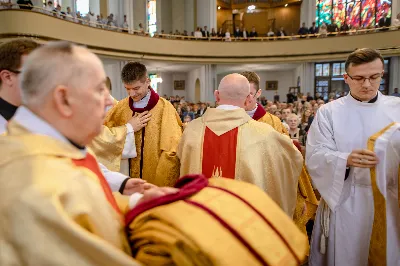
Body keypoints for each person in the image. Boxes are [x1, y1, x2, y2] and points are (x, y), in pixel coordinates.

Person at [0, 41, 179, 265]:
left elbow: (85, 200)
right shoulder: (36, 185)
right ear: (63, 99)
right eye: (99, 90)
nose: (108, 102)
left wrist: (132, 202)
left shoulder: (45, 142)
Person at [0, 39, 147, 197]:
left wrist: (122, 184)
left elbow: (78, 157)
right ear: (7, 77)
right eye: (34, 75)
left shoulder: (42, 115)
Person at [306, 48, 400, 266]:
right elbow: (315, 155)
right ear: (346, 78)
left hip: (390, 200)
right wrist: (344, 159)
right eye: (358, 78)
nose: (367, 84)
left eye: (374, 77)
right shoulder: (329, 112)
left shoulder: (397, 109)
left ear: (382, 75)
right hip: (346, 198)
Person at [178, 73, 303, 216]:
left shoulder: (191, 130)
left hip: (197, 219)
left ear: (217, 96)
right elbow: (293, 158)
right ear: (248, 99)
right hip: (243, 224)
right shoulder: (265, 134)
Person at [101, 62, 182, 187]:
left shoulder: (164, 108)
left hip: (154, 179)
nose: (132, 94)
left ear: (147, 81)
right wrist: (127, 128)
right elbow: (105, 138)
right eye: (127, 89)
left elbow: (171, 150)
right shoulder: (120, 108)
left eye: (136, 88)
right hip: (126, 181)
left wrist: (161, 184)